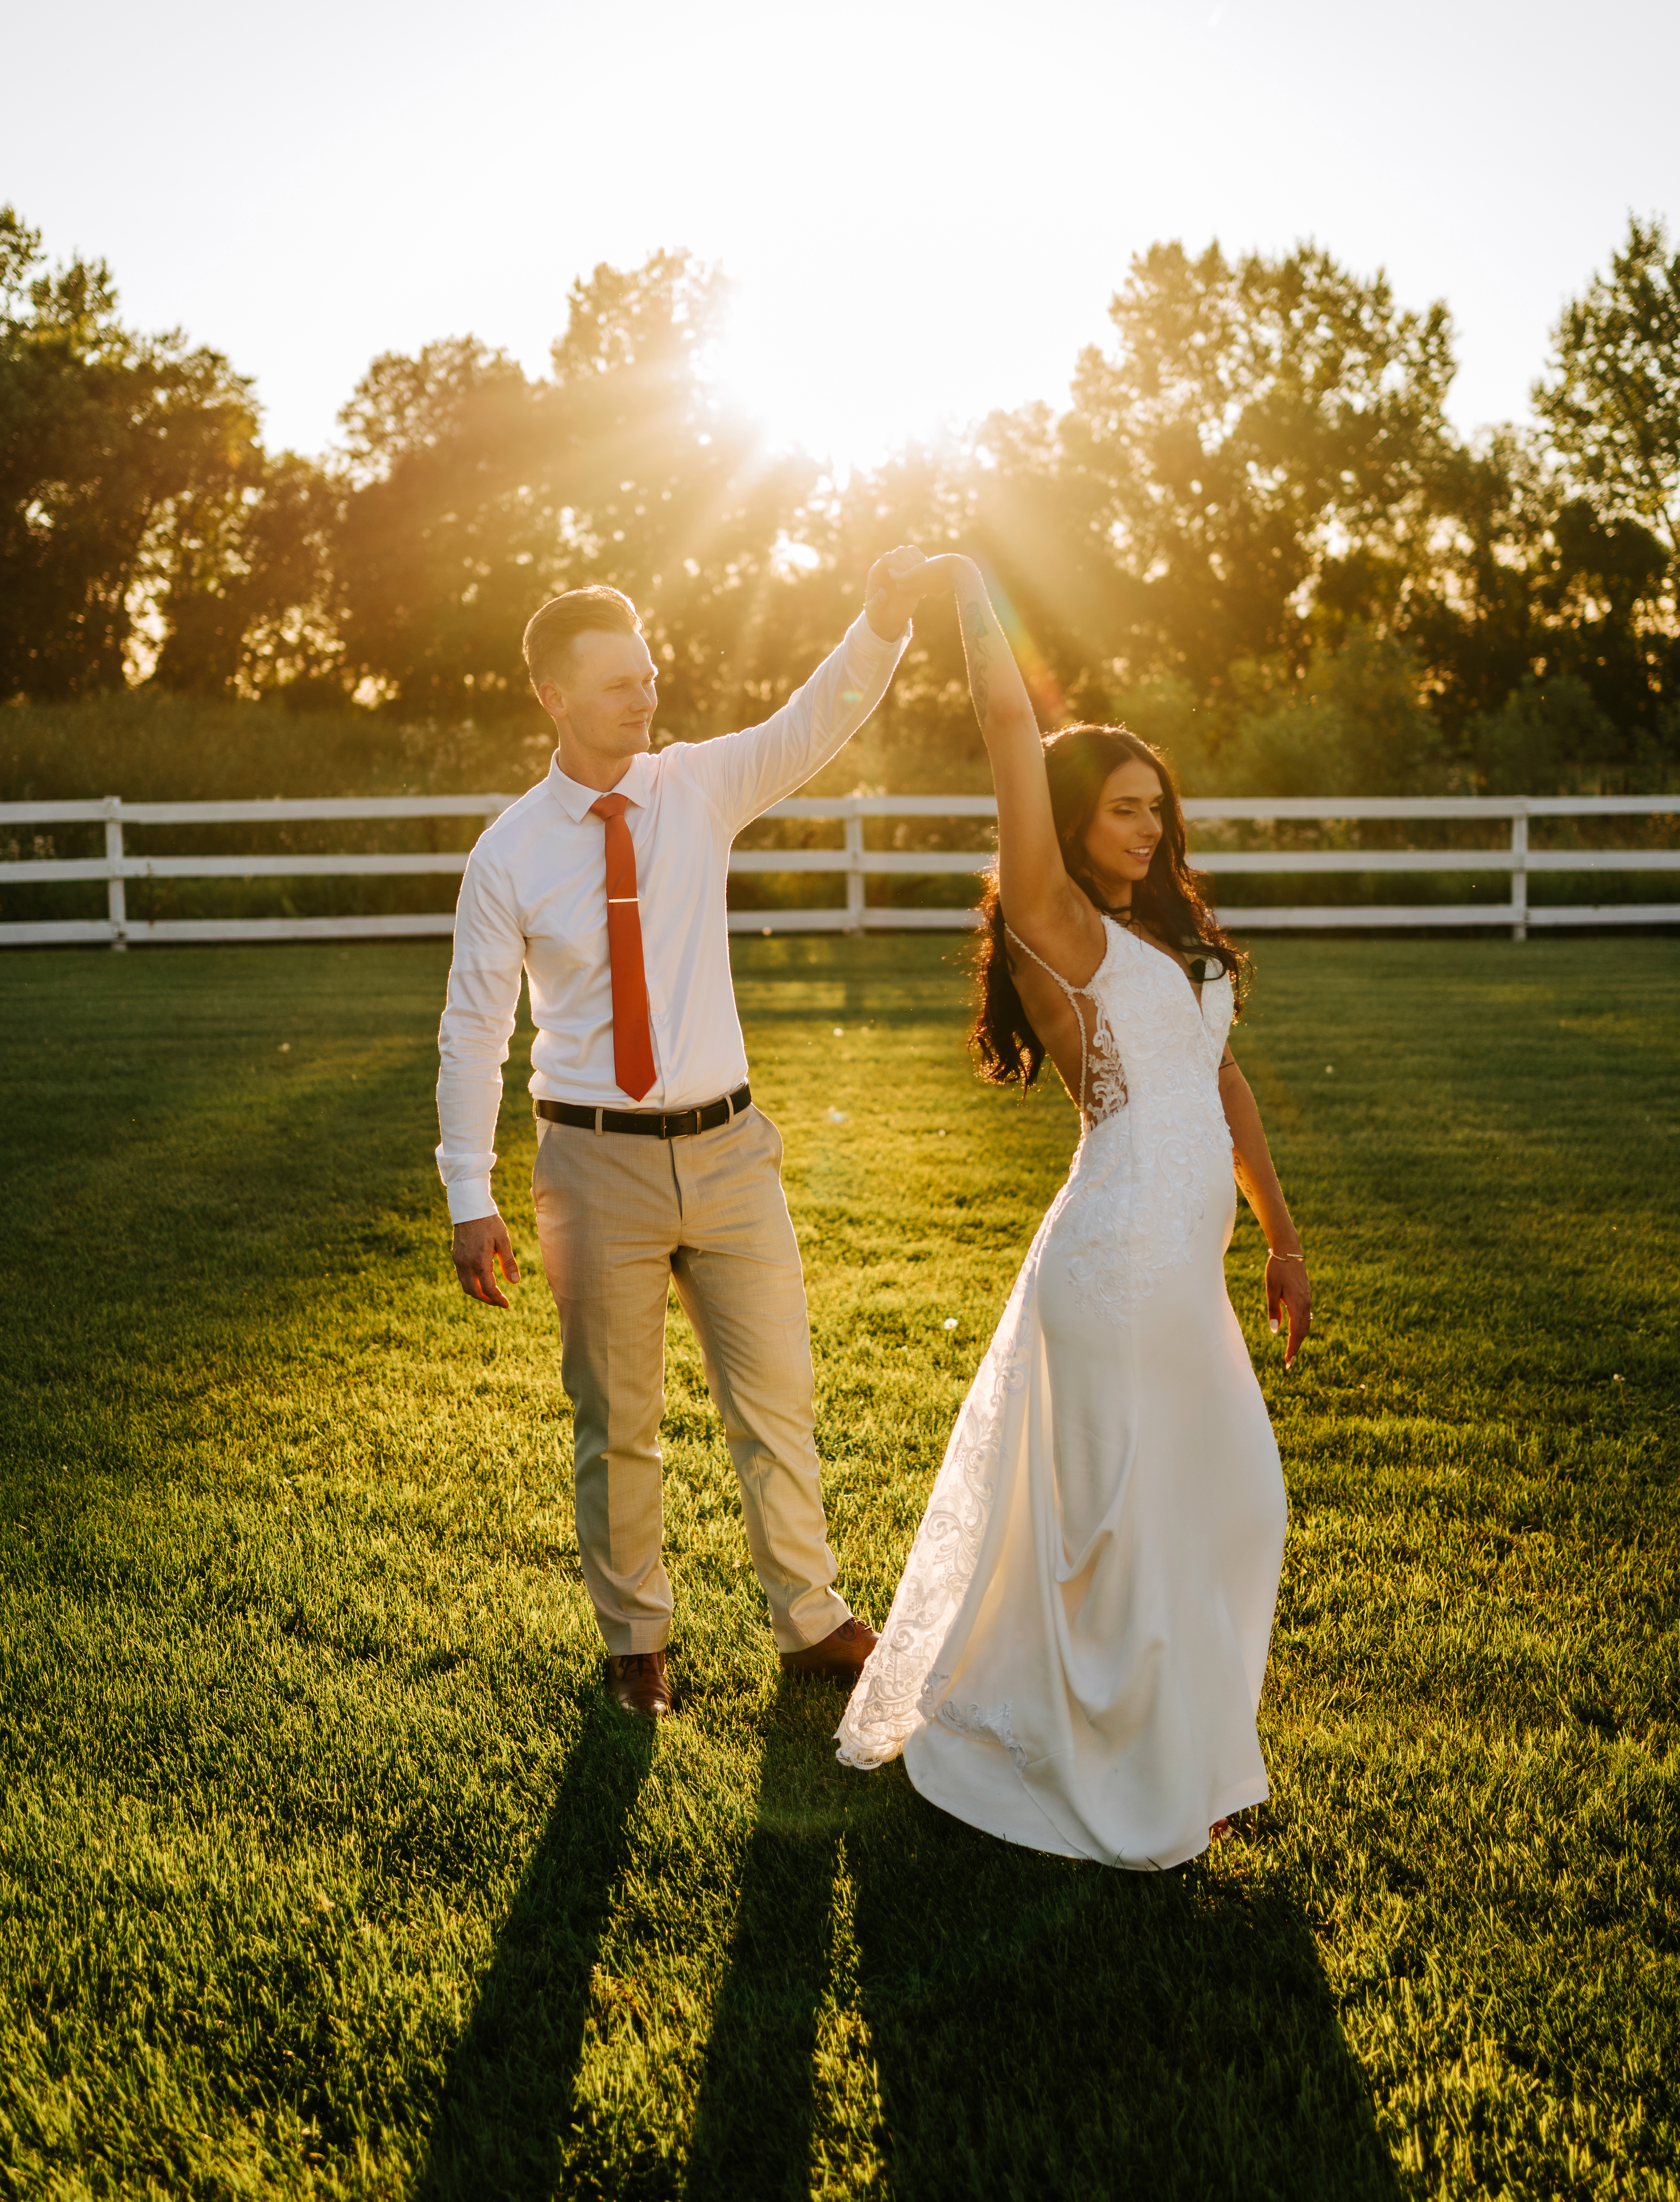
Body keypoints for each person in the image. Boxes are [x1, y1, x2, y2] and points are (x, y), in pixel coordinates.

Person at [837, 552, 1311, 1867]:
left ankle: (1174, 1748)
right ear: (1068, 819)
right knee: (1119, 1536)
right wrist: (976, 587)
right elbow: (1004, 725)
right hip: (1111, 1268)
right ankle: (1113, 1768)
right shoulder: (1059, 927)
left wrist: (1280, 1236)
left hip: (1186, 1277)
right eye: (1121, 809)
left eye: (1158, 808)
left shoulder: (1169, 941)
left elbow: (1226, 1087)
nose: (1149, 829)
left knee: (1232, 1506)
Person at [437, 551, 935, 1718]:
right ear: (554, 697)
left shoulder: (699, 785)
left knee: (777, 1399)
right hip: (591, 1161)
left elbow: (816, 721)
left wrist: (880, 621)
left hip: (730, 1150)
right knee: (619, 1423)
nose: (643, 697)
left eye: (648, 675)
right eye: (617, 683)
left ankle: (810, 1618)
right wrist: (470, 1190)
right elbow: (475, 1032)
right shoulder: (507, 853)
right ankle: (637, 1645)